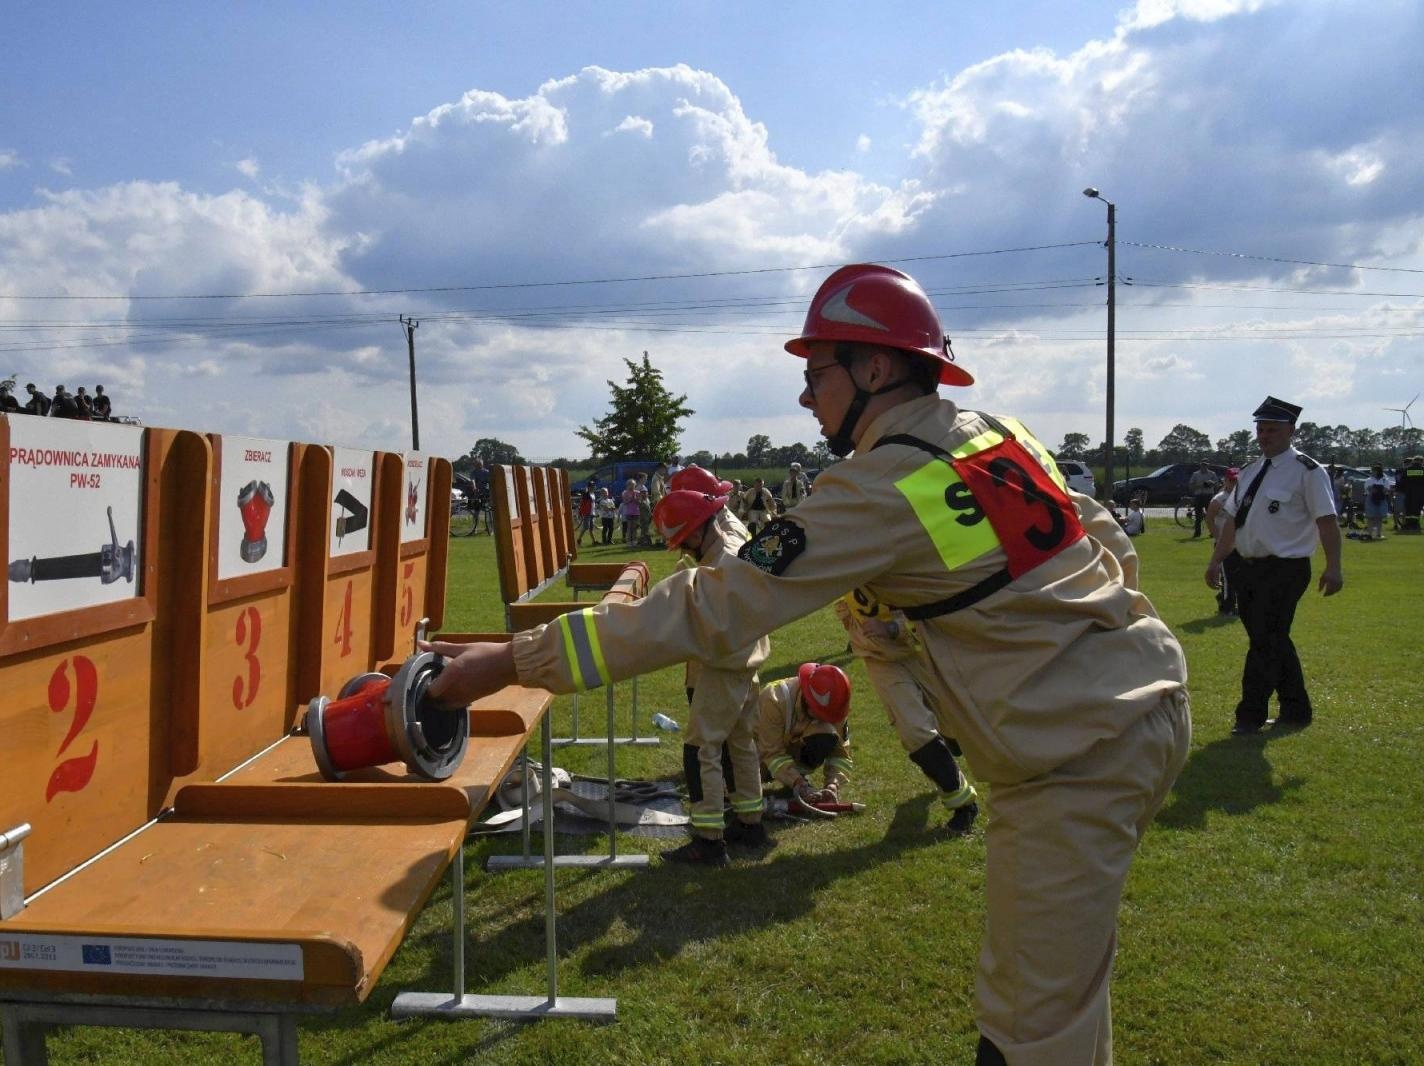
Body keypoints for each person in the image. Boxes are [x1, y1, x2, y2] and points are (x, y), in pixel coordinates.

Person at [426, 263, 1190, 1064]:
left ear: (875, 368)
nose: (803, 396)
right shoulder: (998, 434)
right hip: (1145, 701)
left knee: (1030, 1036)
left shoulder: (881, 484)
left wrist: (511, 660)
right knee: (1069, 1002)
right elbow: (1103, 538)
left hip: (1072, 759)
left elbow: (709, 605)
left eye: (814, 372)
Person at [1205, 396, 1342, 735]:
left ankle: (1249, 715)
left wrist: (1334, 566)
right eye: (1260, 429)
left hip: (1284, 569)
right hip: (1245, 567)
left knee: (1264, 641)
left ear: (1291, 432)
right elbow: (1232, 523)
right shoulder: (1250, 471)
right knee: (1272, 639)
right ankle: (1296, 708)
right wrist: (1216, 561)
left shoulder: (1308, 472)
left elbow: (1327, 521)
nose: (1264, 436)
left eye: (1272, 430)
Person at [652, 488, 772, 865]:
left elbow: (709, 624)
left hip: (724, 665)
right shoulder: (723, 550)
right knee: (741, 743)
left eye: (683, 539)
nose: (683, 549)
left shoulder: (719, 566)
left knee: (700, 747)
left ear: (697, 529)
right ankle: (751, 825)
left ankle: (708, 840)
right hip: (747, 660)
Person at [835, 593, 979, 831]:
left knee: (952, 726)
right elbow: (841, 600)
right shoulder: (844, 561)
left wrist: (892, 628)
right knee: (916, 731)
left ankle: (948, 743)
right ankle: (962, 803)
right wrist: (857, 630)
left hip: (923, 651)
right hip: (881, 658)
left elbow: (932, 605)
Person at [756, 662, 853, 803]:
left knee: (826, 735)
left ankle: (797, 775)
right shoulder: (774, 699)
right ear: (807, 699)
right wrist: (798, 782)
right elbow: (772, 753)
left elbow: (841, 754)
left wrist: (833, 784)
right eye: (820, 715)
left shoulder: (835, 708)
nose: (825, 720)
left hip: (785, 748)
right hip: (757, 749)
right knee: (737, 786)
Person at [1204, 470, 1241, 614]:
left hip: (1239, 544)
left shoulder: (1242, 497)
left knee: (1239, 575)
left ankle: (1226, 599)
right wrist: (1219, 538)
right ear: (1225, 481)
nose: (1234, 484)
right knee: (1227, 577)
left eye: (1237, 481)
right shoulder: (1220, 499)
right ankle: (1227, 607)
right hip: (1224, 545)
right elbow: (1209, 519)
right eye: (1231, 481)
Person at [1188, 465, 1219, 538]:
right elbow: (1191, 486)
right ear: (1201, 465)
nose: (1204, 466)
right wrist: (1201, 485)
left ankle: (1212, 532)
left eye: (1206, 465)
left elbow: (1217, 484)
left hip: (1208, 496)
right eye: (1203, 465)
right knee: (1198, 516)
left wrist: (1211, 483)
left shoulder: (1212, 474)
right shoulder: (1195, 474)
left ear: (1207, 465)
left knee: (1210, 516)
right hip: (1199, 496)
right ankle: (1197, 533)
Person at [1360, 463, 1389, 541]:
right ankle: (1370, 534)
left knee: (1379, 518)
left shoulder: (1384, 480)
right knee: (1370, 517)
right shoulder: (1369, 480)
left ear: (1377, 471)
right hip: (1370, 499)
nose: (1371, 472)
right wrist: (1377, 489)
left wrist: (1377, 489)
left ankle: (1378, 534)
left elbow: (1386, 490)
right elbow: (1368, 490)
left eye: (1373, 471)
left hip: (1381, 499)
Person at [1397, 455, 1424, 532]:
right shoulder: (1423, 470)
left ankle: (1408, 525)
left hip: (1408, 492)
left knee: (1409, 509)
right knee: (1417, 509)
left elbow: (1402, 482)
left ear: (1413, 461)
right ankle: (1416, 525)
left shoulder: (1407, 470)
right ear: (1421, 462)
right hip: (1420, 493)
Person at [618, 477, 643, 546]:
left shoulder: (637, 492)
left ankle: (634, 540)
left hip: (636, 512)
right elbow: (624, 502)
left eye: (632, 484)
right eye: (629, 484)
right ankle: (629, 541)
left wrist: (635, 499)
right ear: (627, 485)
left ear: (635, 485)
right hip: (628, 512)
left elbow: (640, 502)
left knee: (634, 528)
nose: (631, 486)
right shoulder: (625, 493)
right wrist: (630, 500)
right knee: (629, 527)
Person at [576, 481, 597, 546]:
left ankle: (594, 541)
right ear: (589, 487)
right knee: (585, 527)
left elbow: (593, 504)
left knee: (591, 528)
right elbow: (582, 504)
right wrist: (580, 512)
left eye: (593, 486)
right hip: (587, 513)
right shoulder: (586, 494)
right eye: (592, 486)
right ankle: (579, 539)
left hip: (592, 513)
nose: (593, 487)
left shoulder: (593, 494)